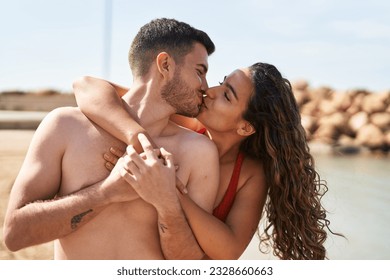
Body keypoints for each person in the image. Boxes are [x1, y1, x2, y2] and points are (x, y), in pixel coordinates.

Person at [3, 18, 220, 260]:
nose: (205, 86)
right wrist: (107, 192)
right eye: (199, 72)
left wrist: (166, 203)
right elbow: (14, 235)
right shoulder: (65, 126)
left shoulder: (199, 152)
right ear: (165, 64)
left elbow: (193, 267)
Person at [74, 62, 339, 260]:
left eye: (227, 95)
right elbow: (86, 85)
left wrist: (170, 189)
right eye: (222, 82)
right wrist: (142, 143)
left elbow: (229, 252)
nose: (210, 91)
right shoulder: (184, 121)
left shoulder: (249, 173)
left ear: (246, 127)